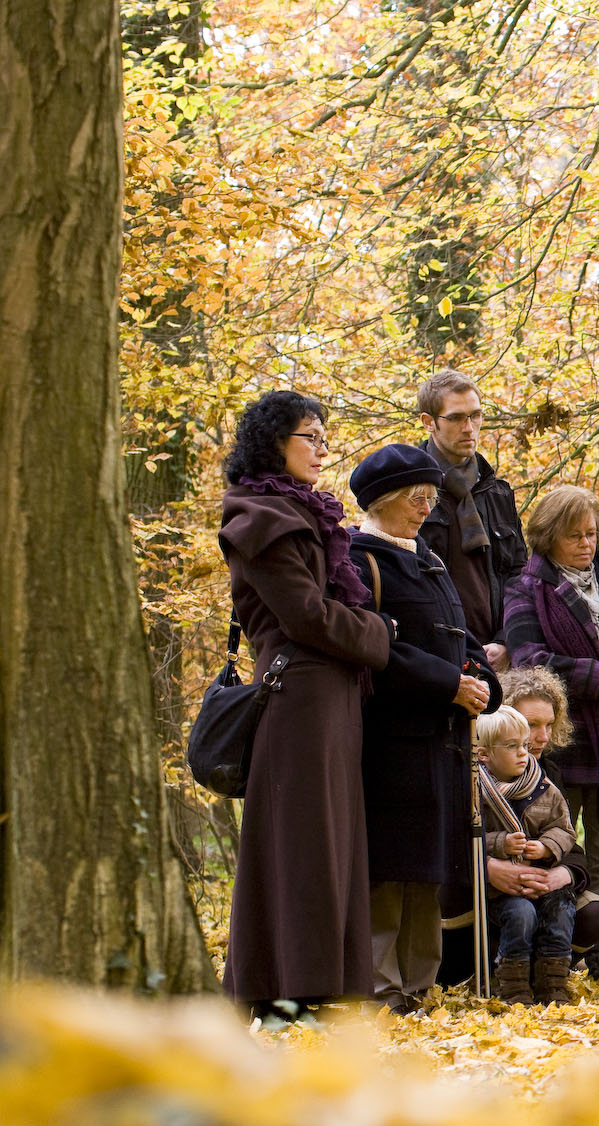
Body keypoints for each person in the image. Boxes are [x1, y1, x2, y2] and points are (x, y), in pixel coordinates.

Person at [217, 391, 395, 1017]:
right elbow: (305, 615)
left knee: (331, 841)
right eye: (309, 436)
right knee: (303, 844)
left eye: (324, 436)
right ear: (274, 443)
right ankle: (289, 990)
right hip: (298, 699)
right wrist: (379, 635)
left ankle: (322, 988)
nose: (321, 449)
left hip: (328, 697)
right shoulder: (260, 518)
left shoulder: (301, 512)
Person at [348, 443, 497, 1014]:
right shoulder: (360, 562)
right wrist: (448, 685)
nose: (426, 509)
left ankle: (419, 984)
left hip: (447, 743)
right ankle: (382, 987)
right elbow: (380, 651)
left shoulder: (430, 560)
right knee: (390, 869)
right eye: (417, 498)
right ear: (384, 499)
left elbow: (460, 640)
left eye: (431, 498)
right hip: (392, 741)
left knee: (429, 868)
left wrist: (482, 681)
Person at [502, 485, 599, 929]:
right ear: (549, 536)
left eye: (592, 534)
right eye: (574, 536)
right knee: (555, 853)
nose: (586, 544)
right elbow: (529, 661)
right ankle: (558, 946)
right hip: (558, 748)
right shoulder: (525, 588)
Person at [498, 666, 599, 979]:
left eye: (549, 725)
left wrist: (565, 871)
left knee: (595, 911)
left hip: (539, 882)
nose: (543, 737)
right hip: (489, 889)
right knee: (518, 912)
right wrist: (491, 868)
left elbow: (567, 837)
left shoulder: (549, 773)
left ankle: (550, 970)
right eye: (532, 725)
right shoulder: (476, 771)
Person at [414, 370, 529, 664]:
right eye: (456, 418)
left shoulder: (498, 493)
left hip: (501, 657)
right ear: (429, 422)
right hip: (438, 656)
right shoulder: (408, 492)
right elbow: (408, 585)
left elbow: (520, 577)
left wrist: (507, 641)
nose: (469, 428)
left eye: (475, 416)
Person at [474, 708, 578, 1005]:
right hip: (500, 888)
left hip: (541, 878)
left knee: (560, 911)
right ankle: (514, 984)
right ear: (484, 755)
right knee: (521, 916)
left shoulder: (544, 787)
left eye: (523, 744)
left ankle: (554, 981)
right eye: (512, 746)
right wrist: (499, 843)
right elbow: (465, 837)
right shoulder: (476, 791)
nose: (523, 753)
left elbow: (565, 829)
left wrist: (546, 847)